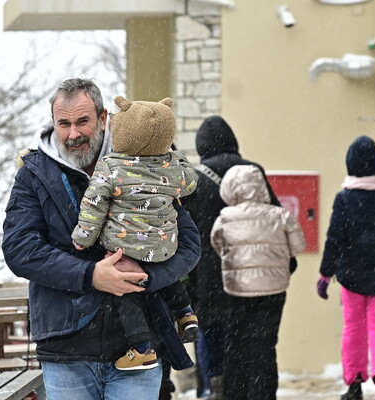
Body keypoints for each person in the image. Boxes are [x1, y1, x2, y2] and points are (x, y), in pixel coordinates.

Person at [2, 78, 201, 400]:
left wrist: (146, 276)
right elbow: (20, 249)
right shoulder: (33, 173)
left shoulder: (152, 162)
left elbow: (190, 244)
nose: (73, 134)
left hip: (142, 343)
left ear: (104, 117)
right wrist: (91, 276)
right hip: (66, 344)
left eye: (83, 121)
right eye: (63, 124)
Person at [71, 95, 200, 370]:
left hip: (124, 246)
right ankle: (186, 313)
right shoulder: (171, 167)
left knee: (124, 293)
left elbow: (93, 204)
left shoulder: (111, 166)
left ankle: (142, 348)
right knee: (164, 271)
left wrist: (84, 237)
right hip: (165, 243)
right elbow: (190, 183)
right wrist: (175, 157)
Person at [183, 115, 285, 400]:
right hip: (258, 283)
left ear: (202, 147)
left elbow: (188, 237)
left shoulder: (196, 181)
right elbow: (277, 223)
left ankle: (214, 389)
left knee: (214, 344)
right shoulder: (254, 172)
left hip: (212, 284)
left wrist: (190, 285)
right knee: (259, 350)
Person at [316, 135, 375, 400]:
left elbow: (334, 239)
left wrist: (325, 273)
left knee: (353, 327)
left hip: (351, 276)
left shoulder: (344, 199)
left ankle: (354, 385)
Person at [210, 164, 306, 400]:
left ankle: (237, 394)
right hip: (273, 290)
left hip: (237, 291)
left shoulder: (225, 218)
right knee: (264, 346)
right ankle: (263, 394)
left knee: (237, 344)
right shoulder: (280, 215)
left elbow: (217, 246)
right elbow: (298, 246)